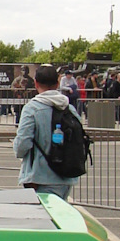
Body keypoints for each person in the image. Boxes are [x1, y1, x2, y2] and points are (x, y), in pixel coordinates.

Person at [13, 64, 83, 201]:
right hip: (66, 176)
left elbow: (22, 144)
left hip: (40, 176)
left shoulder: (32, 108)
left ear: (36, 83)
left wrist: (17, 150)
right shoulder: (69, 109)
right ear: (57, 83)